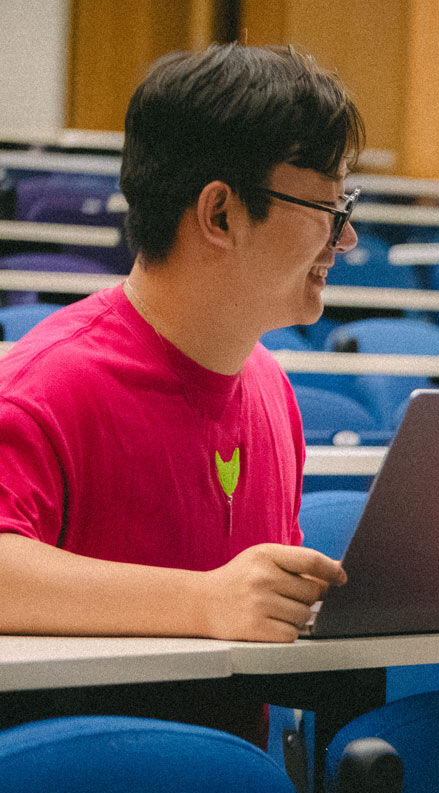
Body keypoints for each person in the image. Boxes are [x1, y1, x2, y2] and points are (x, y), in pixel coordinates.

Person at [0, 44, 360, 733]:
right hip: (82, 788)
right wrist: (202, 602)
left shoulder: (270, 389)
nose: (344, 239)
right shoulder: (47, 386)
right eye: (326, 206)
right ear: (220, 214)